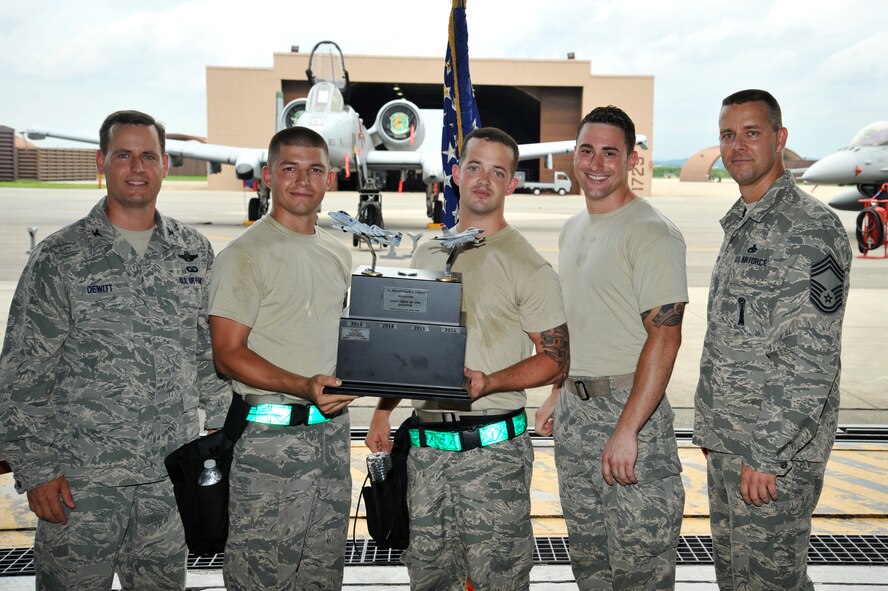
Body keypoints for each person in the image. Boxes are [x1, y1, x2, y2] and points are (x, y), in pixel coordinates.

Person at [0, 110, 229, 590]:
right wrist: (38, 471)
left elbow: (207, 356)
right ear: (101, 163)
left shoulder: (193, 252)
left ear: (165, 163)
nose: (136, 167)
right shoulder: (60, 257)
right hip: (81, 487)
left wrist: (220, 440)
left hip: (169, 482)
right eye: (123, 155)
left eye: (148, 155)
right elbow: (22, 375)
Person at [365, 127, 570, 591]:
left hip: (491, 456)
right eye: (475, 167)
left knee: (497, 580)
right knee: (430, 580)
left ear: (511, 185)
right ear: (456, 174)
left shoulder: (528, 265)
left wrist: (489, 382)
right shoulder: (428, 251)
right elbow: (406, 343)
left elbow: (555, 360)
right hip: (424, 456)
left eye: (498, 171)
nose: (484, 179)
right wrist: (383, 411)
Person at [694, 89, 852, 590]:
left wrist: (767, 452)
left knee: (771, 581)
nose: (738, 145)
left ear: (780, 139)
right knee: (738, 579)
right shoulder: (743, 222)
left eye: (752, 132)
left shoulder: (811, 229)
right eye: (727, 135)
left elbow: (810, 357)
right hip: (730, 446)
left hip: (772, 456)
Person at [545, 105, 688, 589]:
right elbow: (583, 322)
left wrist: (628, 430)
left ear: (631, 160)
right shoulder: (573, 228)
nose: (596, 163)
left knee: (639, 569)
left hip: (631, 417)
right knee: (591, 566)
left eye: (611, 152)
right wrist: (555, 392)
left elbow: (665, 336)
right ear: (575, 155)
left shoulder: (651, 232)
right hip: (576, 416)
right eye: (587, 150)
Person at [207, 126, 355, 590]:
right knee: (261, 577)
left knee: (321, 575)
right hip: (268, 444)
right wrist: (301, 385)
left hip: (331, 437)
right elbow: (228, 355)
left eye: (314, 170)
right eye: (289, 168)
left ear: (329, 179)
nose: (302, 181)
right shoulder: (243, 257)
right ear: (268, 176)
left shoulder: (337, 252)